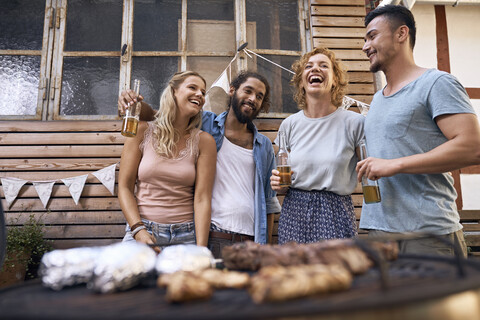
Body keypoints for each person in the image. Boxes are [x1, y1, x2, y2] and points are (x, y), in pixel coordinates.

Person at [356, 5, 480, 256]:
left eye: (372, 36)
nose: (365, 46)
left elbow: (473, 147)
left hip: (427, 235)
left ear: (401, 34)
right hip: (380, 233)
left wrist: (395, 164)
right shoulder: (378, 99)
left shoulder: (436, 83)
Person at [118, 71, 281, 258]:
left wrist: (265, 248)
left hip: (240, 236)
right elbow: (161, 116)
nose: (252, 99)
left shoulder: (263, 146)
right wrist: (134, 104)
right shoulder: (208, 124)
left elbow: (269, 201)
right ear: (232, 90)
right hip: (201, 232)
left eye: (259, 97)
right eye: (248, 91)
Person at [270, 47, 365, 244]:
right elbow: (284, 184)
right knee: (295, 273)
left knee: (335, 273)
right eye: (309, 67)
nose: (315, 70)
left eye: (324, 66)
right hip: (294, 213)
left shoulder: (354, 123)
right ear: (301, 81)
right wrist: (278, 184)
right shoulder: (289, 125)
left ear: (335, 80)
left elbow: (372, 173)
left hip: (335, 212)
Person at [118, 71, 217, 252]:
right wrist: (138, 231)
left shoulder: (205, 141)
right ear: (173, 92)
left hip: (186, 235)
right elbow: (124, 187)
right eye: (192, 87)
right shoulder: (141, 131)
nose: (200, 95)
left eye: (203, 92)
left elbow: (202, 199)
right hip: (143, 230)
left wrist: (201, 250)